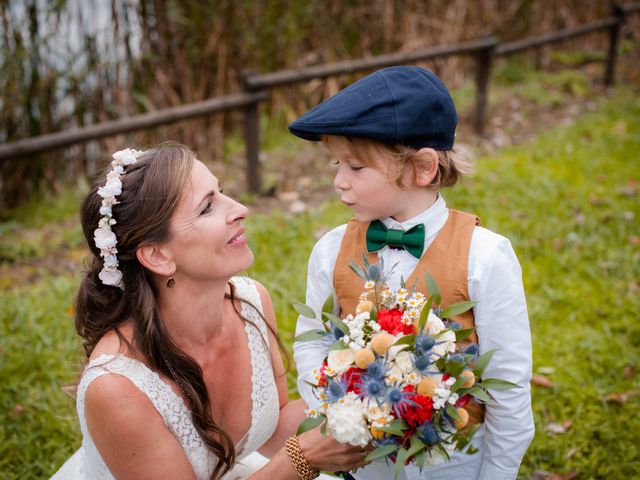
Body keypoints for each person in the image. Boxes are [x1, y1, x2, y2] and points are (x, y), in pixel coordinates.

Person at [52, 143, 370, 480]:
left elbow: (276, 424)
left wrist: (375, 396)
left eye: (222, 193)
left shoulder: (250, 302)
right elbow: (291, 453)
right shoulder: (116, 387)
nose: (240, 209)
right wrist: (300, 459)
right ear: (158, 256)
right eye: (207, 207)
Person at [289, 66, 534, 480]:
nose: (338, 181)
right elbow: (310, 342)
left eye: (356, 167)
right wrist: (338, 417)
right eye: (337, 163)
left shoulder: (485, 256)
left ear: (422, 168)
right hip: (360, 464)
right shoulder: (331, 249)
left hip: (455, 464)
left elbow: (507, 385)